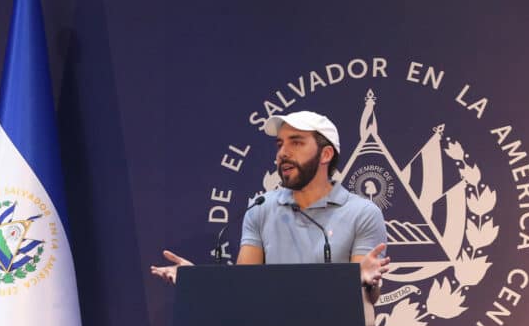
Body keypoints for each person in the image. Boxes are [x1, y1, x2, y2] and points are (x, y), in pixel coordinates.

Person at [150, 110, 390, 302]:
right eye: (279, 145)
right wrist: (196, 281)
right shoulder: (260, 208)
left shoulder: (363, 213)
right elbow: (244, 289)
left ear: (325, 154)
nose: (282, 153)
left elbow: (367, 297)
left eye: (296, 143)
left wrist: (363, 281)